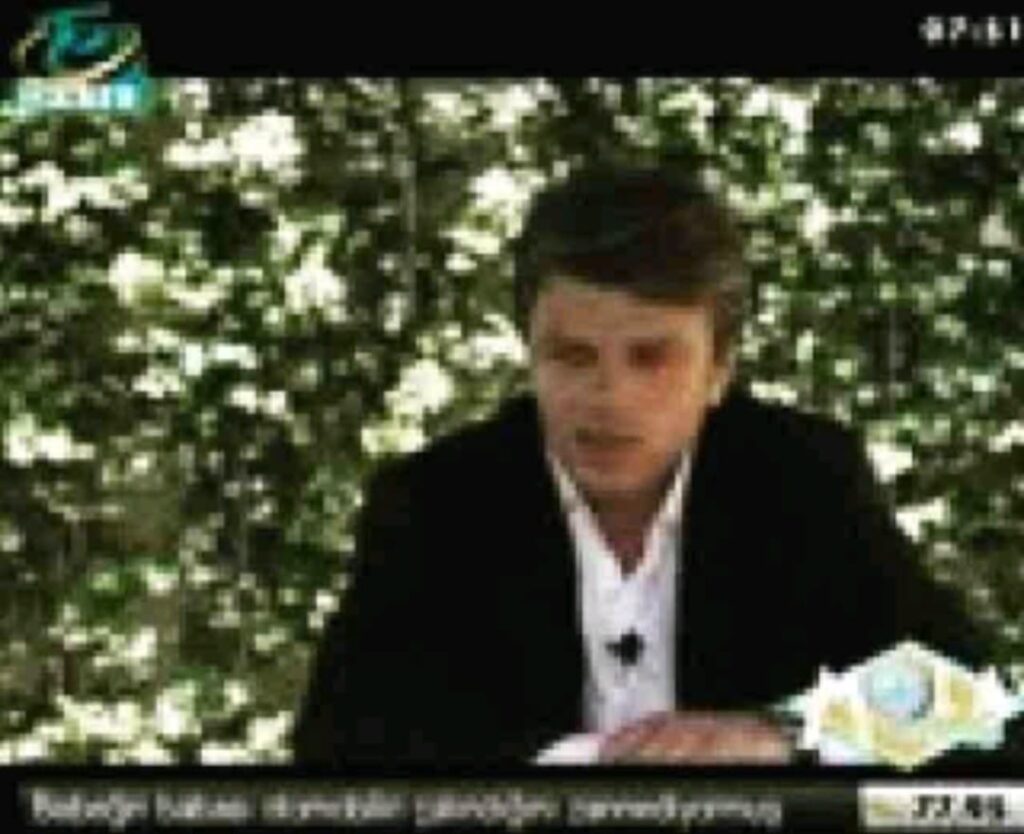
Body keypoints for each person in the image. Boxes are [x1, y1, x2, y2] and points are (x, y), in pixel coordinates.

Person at [291, 165, 994, 766]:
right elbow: (340, 752)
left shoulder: (802, 477)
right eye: (572, 356)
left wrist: (777, 735)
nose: (610, 396)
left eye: (652, 358)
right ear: (528, 352)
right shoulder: (439, 501)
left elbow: (967, 702)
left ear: (719, 369)